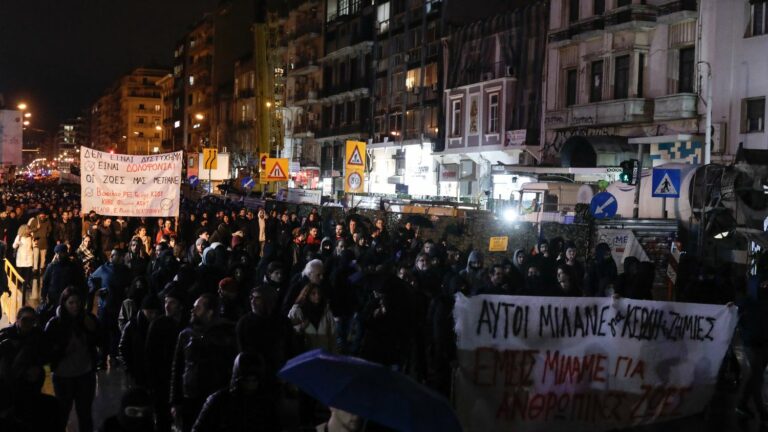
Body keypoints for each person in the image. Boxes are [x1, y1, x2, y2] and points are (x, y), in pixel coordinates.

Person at [170, 293, 238, 432]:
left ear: (210, 312)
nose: (193, 310)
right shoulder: (186, 335)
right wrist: (175, 401)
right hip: (190, 397)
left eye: (198, 308)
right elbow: (177, 368)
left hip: (215, 396)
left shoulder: (226, 334)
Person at [44, 286, 102, 432]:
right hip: (63, 376)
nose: (75, 306)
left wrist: (93, 330)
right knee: (62, 414)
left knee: (85, 414)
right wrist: (63, 350)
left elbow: (101, 341)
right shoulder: (55, 324)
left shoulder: (88, 319)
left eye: (77, 302)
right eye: (71, 303)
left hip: (85, 373)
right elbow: (46, 351)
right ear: (64, 303)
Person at [191, 353, 281, 432]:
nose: (250, 384)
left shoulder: (266, 403)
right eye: (246, 380)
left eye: (254, 380)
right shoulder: (218, 401)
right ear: (238, 380)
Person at [146, 286, 186, 432]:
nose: (167, 306)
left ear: (181, 305)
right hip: (162, 380)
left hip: (181, 380)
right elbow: (150, 355)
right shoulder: (158, 324)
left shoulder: (186, 325)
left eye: (172, 302)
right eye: (166, 302)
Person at [119, 294, 163, 386]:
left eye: (156, 312)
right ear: (143, 310)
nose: (153, 315)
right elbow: (123, 348)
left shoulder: (160, 324)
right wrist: (129, 369)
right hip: (137, 372)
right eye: (150, 312)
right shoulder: (133, 325)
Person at [12, 222, 35, 303]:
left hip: (29, 256)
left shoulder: (31, 236)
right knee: (20, 272)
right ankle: (19, 285)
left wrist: (34, 244)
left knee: (28, 272)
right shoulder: (19, 236)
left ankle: (26, 284)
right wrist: (17, 243)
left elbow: (33, 245)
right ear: (24, 230)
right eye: (28, 229)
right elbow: (13, 246)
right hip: (21, 257)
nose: (29, 230)